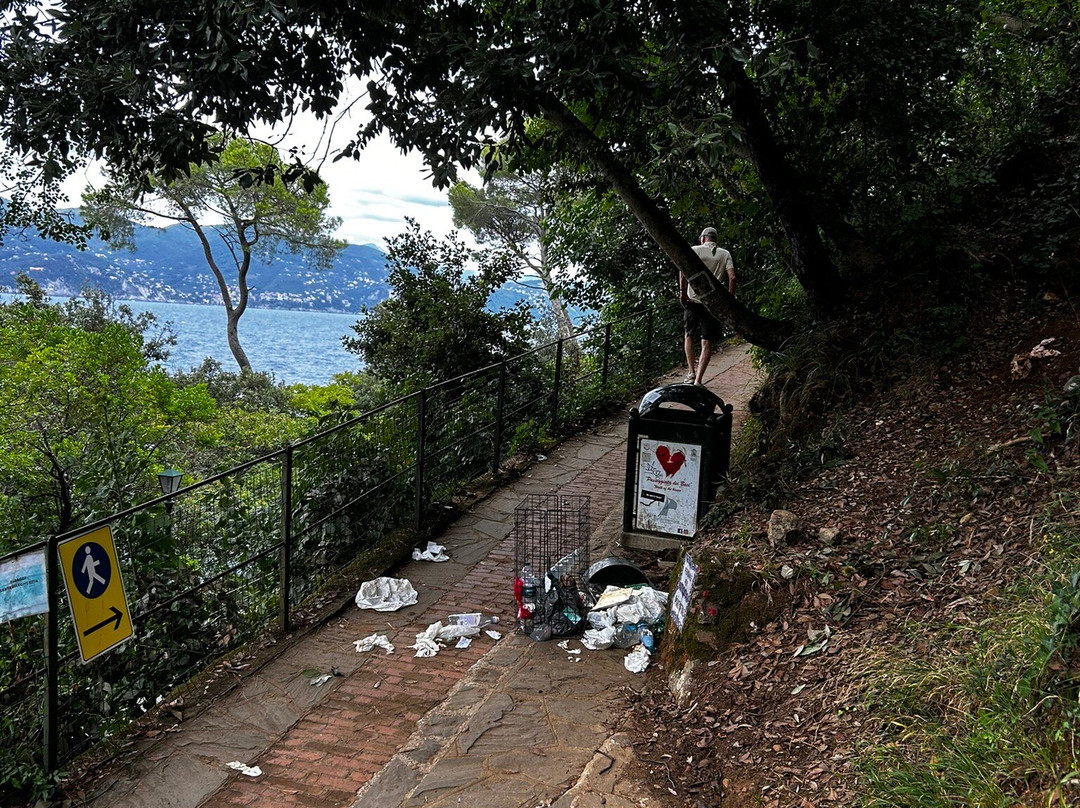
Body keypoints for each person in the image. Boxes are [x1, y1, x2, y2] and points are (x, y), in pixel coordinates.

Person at [679, 227, 736, 385]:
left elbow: (682, 270)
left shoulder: (695, 250)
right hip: (712, 303)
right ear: (715, 239)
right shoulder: (724, 253)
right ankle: (698, 380)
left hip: (693, 301)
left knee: (689, 335)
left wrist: (682, 292)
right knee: (706, 341)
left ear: (703, 238)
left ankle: (691, 372)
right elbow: (732, 277)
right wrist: (729, 298)